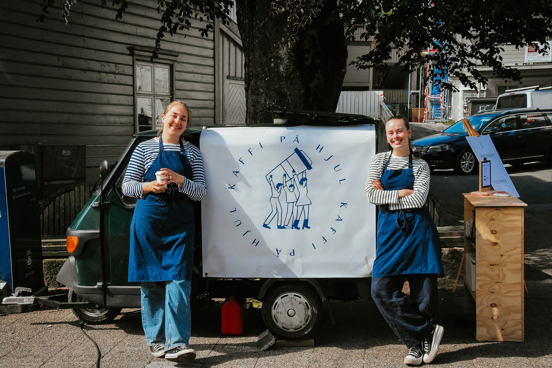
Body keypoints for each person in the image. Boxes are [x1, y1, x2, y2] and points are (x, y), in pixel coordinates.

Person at [122, 100, 206, 363]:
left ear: (185, 124)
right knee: (151, 284)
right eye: (173, 116)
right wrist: (149, 187)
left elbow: (202, 192)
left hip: (180, 227)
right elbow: (127, 187)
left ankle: (178, 344)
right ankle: (156, 342)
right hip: (149, 223)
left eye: (182, 118)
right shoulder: (143, 148)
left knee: (180, 282)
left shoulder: (192, 153)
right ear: (162, 118)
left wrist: (180, 180)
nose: (177, 122)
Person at [365, 116, 444, 366]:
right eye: (390, 133)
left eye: (400, 131)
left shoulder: (421, 166)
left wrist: (385, 194)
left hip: (419, 234)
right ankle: (427, 332)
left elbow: (418, 200)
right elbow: (370, 194)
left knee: (424, 298)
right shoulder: (379, 160)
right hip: (390, 235)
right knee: (381, 290)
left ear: (409, 133)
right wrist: (400, 192)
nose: (395, 136)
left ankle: (415, 348)